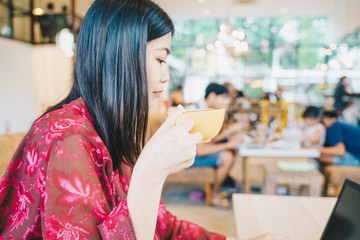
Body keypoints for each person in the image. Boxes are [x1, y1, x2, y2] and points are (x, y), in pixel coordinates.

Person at [0, 1, 287, 239]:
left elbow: (165, 226)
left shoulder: (109, 128)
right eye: (160, 60)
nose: (165, 76)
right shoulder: (66, 136)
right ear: (122, 56)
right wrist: (150, 174)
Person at [193, 83, 244, 208]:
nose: (226, 101)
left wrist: (229, 131)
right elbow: (201, 151)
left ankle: (219, 186)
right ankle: (215, 193)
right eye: (224, 97)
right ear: (212, 95)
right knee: (227, 156)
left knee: (230, 151)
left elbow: (209, 139)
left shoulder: (205, 109)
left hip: (195, 151)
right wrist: (228, 144)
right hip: (189, 157)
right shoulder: (198, 112)